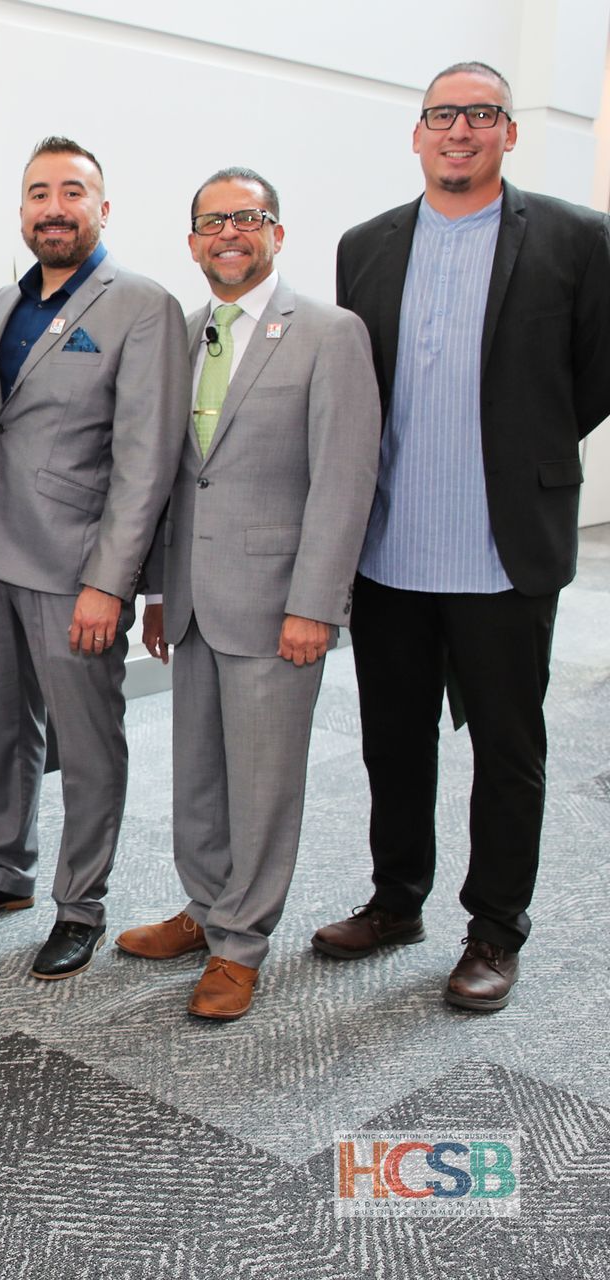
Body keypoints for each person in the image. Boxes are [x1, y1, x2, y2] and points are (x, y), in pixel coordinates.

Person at [316, 61, 610, 1011]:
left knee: (509, 753)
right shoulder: (364, 246)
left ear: (508, 134)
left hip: (502, 548)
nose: (460, 130)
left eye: (480, 115)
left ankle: (494, 929)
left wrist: (527, 452)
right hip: (392, 548)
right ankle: (397, 899)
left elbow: (596, 374)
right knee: (391, 740)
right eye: (443, 115)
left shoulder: (576, 238)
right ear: (418, 133)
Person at [0, 137, 188, 981]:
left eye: (72, 191)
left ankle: (82, 903)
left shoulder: (142, 306)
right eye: (38, 192)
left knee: (88, 741)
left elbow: (146, 461)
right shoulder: (3, 301)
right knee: (4, 733)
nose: (53, 207)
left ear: (102, 209)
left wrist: (113, 582)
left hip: (77, 570)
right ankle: (6, 871)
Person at [128, 168, 380, 1019]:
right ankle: (204, 910)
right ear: (192, 241)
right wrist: (160, 593)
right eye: (210, 222)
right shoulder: (187, 330)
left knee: (265, 782)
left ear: (276, 231)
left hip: (279, 603)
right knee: (197, 773)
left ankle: (241, 943)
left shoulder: (328, 332)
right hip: (195, 597)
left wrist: (317, 603)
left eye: (245, 218)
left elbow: (344, 482)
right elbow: (172, 478)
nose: (226, 233)